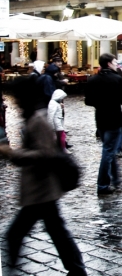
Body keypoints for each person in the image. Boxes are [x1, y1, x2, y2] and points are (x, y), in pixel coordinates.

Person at [0, 75, 88, 275]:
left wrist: (12, 153)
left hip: (41, 189)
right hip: (42, 189)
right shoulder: (32, 116)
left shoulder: (38, 119)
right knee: (57, 232)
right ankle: (77, 269)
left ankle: (76, 269)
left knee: (17, 234)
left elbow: (45, 154)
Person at [84, 53, 122, 195]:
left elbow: (88, 101)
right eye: (115, 62)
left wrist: (100, 103)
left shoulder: (93, 80)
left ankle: (116, 180)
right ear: (109, 63)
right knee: (108, 151)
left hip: (100, 119)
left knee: (109, 149)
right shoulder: (116, 79)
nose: (116, 64)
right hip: (114, 119)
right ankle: (103, 185)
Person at [47, 89, 69, 153]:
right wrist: (50, 125)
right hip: (56, 122)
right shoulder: (53, 103)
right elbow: (51, 115)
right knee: (62, 135)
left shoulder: (55, 103)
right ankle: (63, 148)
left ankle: (61, 148)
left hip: (58, 122)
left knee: (60, 135)